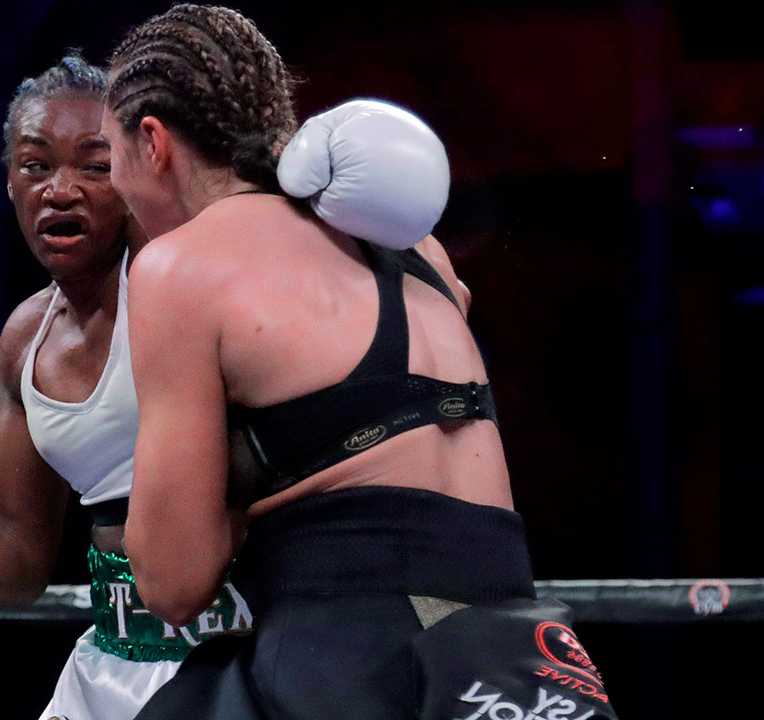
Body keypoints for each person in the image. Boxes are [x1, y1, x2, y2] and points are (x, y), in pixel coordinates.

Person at [0, 51, 453, 720]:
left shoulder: (195, 278)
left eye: (95, 166)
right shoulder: (25, 340)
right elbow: (19, 551)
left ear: (134, 168)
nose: (60, 190)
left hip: (257, 659)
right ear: (9, 181)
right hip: (115, 665)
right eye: (35, 165)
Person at [102, 6, 619, 720]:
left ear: (153, 142)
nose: (115, 191)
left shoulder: (178, 269)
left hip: (350, 649)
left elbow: (172, 584)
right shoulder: (422, 253)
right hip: (517, 656)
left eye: (108, 160)